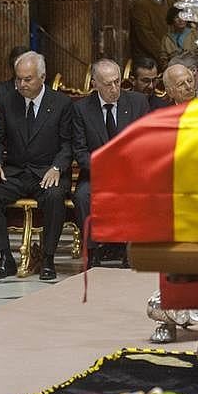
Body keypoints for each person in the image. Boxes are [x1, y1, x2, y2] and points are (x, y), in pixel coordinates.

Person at [0, 51, 74, 282]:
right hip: (16, 171)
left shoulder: (61, 103)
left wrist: (57, 168)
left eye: (28, 79)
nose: (21, 84)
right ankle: (5, 257)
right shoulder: (7, 101)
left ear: (42, 77)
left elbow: (68, 144)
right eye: (18, 79)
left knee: (54, 197)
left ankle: (48, 258)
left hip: (47, 172)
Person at [71, 59, 151, 266]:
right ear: (95, 84)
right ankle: (93, 251)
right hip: (96, 173)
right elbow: (79, 151)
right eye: (108, 84)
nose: (114, 88)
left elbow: (145, 143)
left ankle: (128, 248)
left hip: (130, 173)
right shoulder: (81, 109)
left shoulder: (138, 102)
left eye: (117, 82)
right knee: (82, 196)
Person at [129, 0, 173, 64]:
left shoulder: (169, 3)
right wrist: (163, 56)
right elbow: (146, 36)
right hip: (149, 61)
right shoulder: (141, 5)